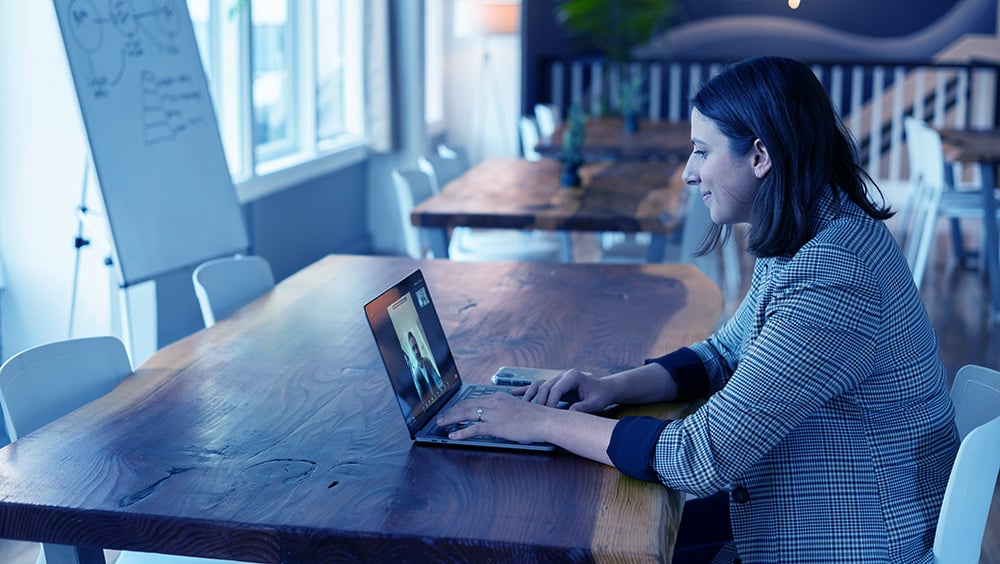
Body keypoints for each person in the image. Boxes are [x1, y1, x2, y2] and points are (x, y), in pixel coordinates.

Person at [437, 56, 959, 563]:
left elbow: (700, 455)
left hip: (853, 545)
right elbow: (723, 354)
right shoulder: (815, 233)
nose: (689, 173)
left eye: (702, 152)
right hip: (805, 520)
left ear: (759, 156)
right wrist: (611, 386)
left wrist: (538, 424)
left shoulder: (838, 272)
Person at [408, 331, 441, 399]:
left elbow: (437, 379)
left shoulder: (427, 361)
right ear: (411, 352)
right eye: (413, 348)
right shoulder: (416, 375)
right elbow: (422, 398)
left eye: (416, 346)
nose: (416, 351)